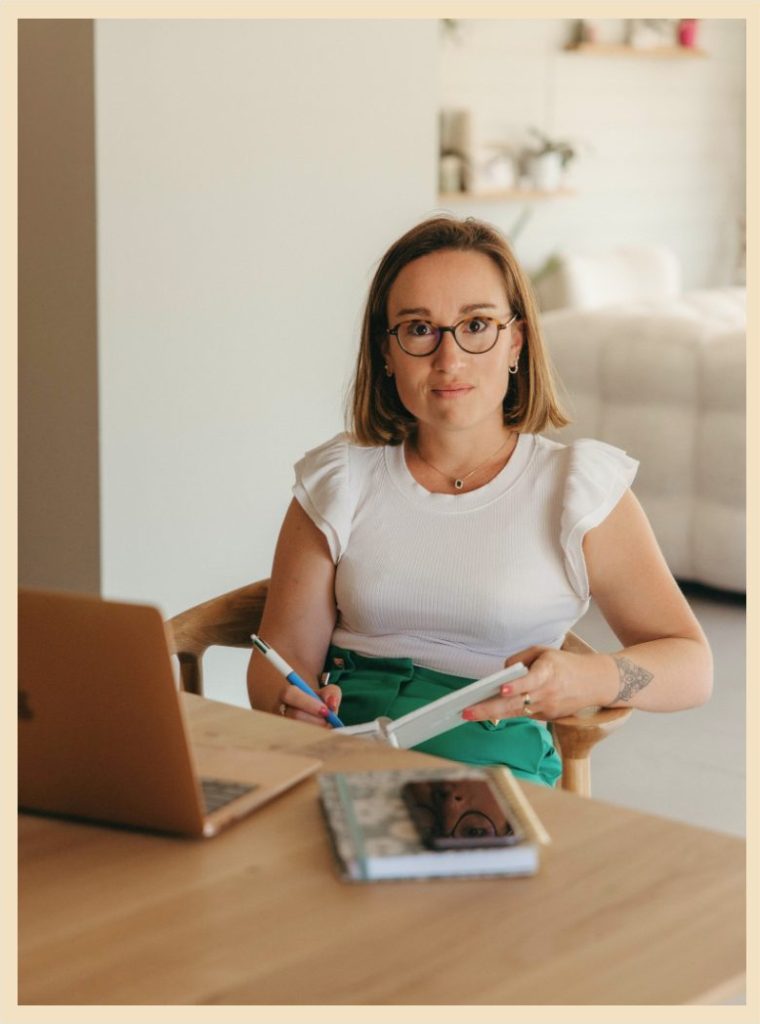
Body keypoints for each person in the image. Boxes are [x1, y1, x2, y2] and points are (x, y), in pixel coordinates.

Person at [247, 215, 712, 787]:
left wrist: (590, 678)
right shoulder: (339, 479)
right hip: (344, 760)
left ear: (516, 340)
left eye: (477, 324)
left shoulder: (578, 487)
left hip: (494, 775)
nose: (449, 359)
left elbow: (692, 665)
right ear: (386, 351)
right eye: (419, 329)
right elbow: (281, 658)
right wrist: (285, 701)